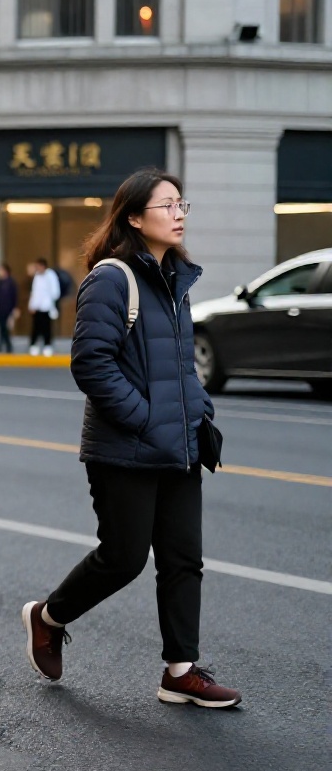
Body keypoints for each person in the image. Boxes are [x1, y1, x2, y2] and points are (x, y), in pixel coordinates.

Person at [23, 169, 237, 708]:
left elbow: (181, 365)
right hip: (126, 448)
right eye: (167, 205)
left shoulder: (176, 278)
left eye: (181, 204)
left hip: (180, 444)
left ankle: (180, 671)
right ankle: (47, 618)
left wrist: (198, 411)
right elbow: (91, 364)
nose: (179, 213)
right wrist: (143, 418)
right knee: (123, 558)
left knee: (184, 558)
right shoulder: (111, 279)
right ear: (135, 218)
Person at [27, 256, 62, 356]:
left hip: (46, 307)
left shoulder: (51, 275)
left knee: (47, 328)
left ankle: (47, 346)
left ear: (43, 266)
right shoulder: (37, 276)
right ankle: (33, 346)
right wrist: (32, 305)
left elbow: (55, 291)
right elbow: (35, 292)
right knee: (35, 327)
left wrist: (50, 303)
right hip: (37, 307)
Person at [0, 264, 18, 353]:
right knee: (1, 328)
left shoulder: (11, 283)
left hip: (7, 310)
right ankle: (3, 345)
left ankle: (6, 345)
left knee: (4, 328)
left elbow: (14, 297)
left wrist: (15, 309)